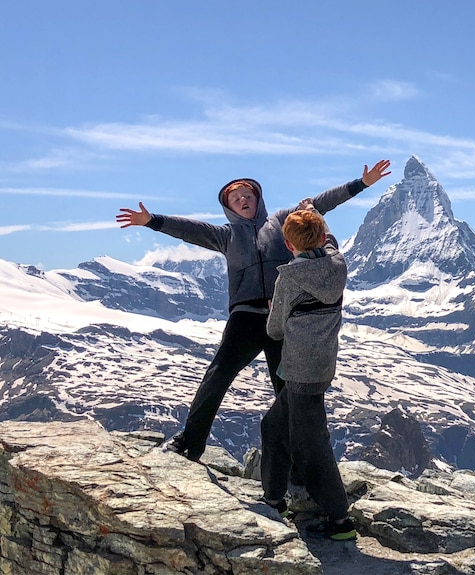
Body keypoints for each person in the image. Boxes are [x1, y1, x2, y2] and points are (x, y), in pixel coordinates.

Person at [115, 160, 391, 461]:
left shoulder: (283, 220)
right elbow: (187, 229)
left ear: (258, 199)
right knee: (217, 376)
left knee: (287, 391)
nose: (244, 200)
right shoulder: (226, 235)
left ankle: (298, 464)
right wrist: (151, 220)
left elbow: (320, 204)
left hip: (283, 316)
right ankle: (190, 442)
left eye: (248, 195)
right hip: (245, 317)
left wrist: (361, 184)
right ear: (229, 208)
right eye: (237, 199)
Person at [261, 208, 354, 541]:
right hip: (321, 364)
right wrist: (317, 219)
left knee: (311, 445)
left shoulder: (289, 278)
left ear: (288, 245)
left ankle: (340, 520)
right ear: (321, 237)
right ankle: (273, 500)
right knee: (272, 427)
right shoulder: (337, 265)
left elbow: (274, 330)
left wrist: (274, 310)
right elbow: (330, 244)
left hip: (299, 368)